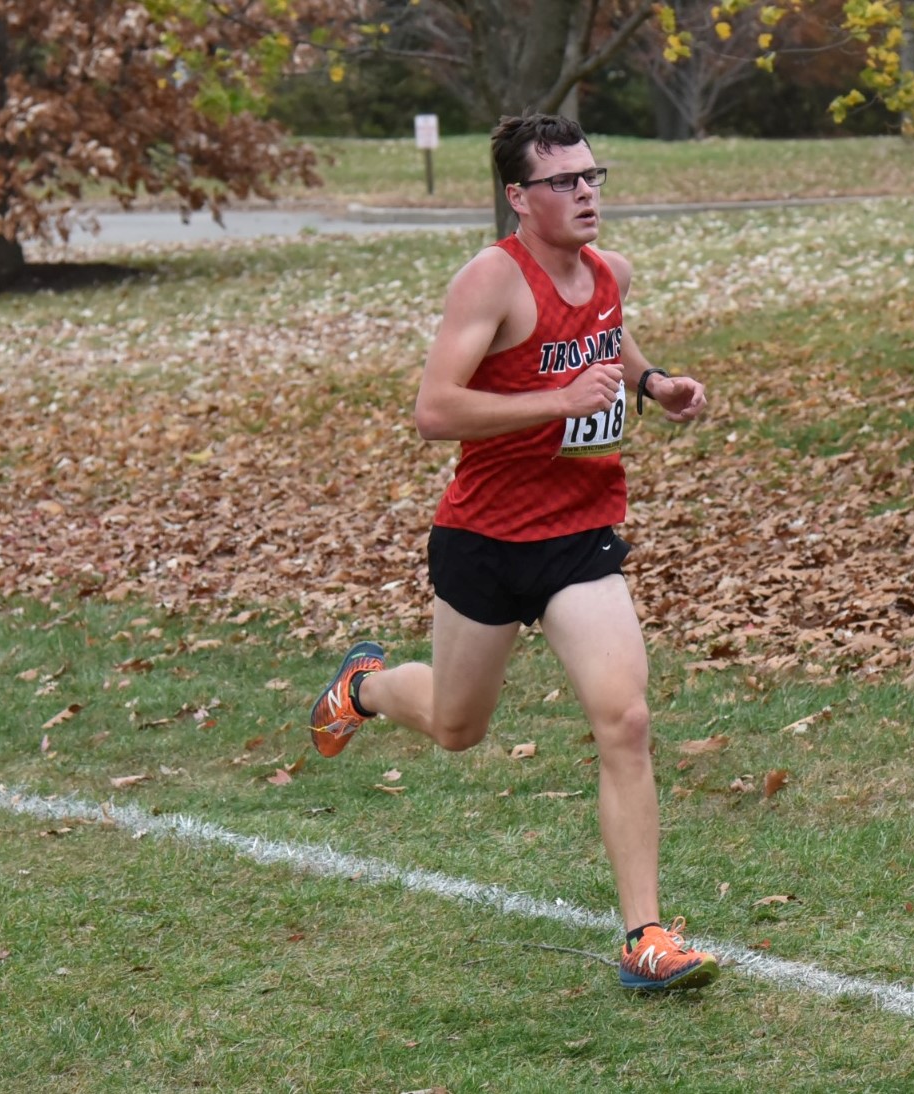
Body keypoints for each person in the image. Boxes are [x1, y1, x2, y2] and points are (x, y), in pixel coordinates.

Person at [307, 113, 716, 993]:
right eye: (563, 182)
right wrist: (557, 401)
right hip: (484, 537)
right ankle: (363, 689)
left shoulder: (610, 271)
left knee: (628, 720)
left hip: (579, 535)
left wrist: (651, 383)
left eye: (592, 176)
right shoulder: (490, 282)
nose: (585, 194)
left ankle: (645, 938)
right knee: (458, 728)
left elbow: (607, 336)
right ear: (517, 197)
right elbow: (434, 412)